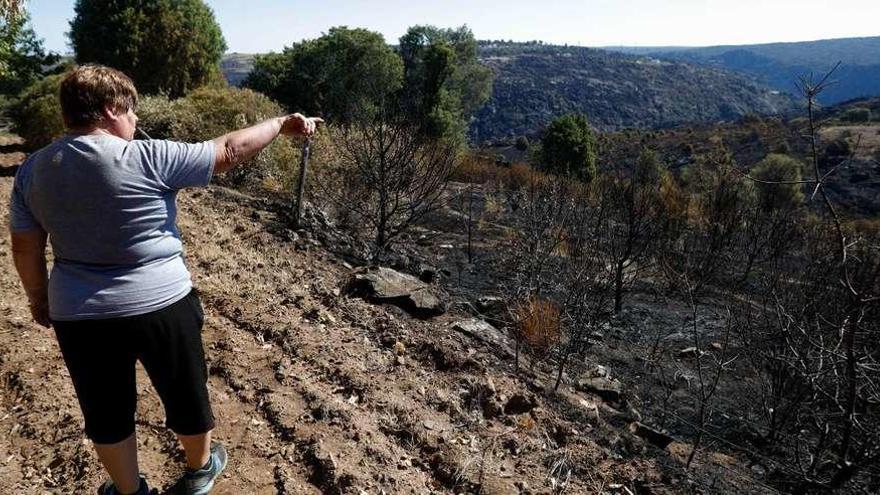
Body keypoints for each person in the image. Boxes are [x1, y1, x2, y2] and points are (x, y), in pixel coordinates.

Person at [8, 64, 322, 495]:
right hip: (163, 303)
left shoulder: (32, 172)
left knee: (106, 409)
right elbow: (229, 150)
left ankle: (128, 490)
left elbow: (25, 247)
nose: (136, 122)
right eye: (132, 112)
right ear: (111, 108)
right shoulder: (148, 156)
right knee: (184, 389)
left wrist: (39, 300)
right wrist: (279, 124)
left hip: (79, 313)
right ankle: (199, 471)